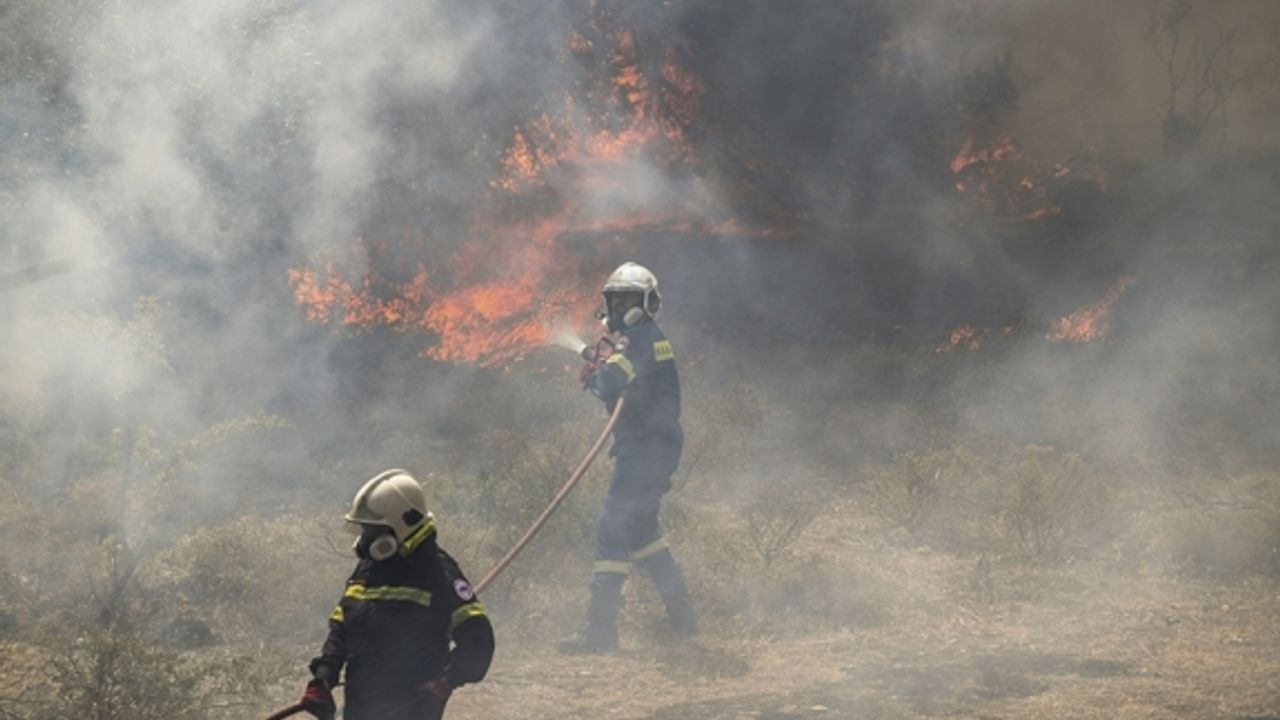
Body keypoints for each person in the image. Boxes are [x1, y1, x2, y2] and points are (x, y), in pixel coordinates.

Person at [559, 261, 697, 654]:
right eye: (614, 300)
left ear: (647, 303)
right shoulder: (646, 338)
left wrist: (594, 378)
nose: (619, 308)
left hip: (644, 451)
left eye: (627, 300)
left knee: (612, 532)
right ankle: (685, 620)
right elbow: (625, 377)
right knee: (644, 536)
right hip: (655, 448)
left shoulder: (637, 339)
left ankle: (599, 634)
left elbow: (610, 383)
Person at [301, 469, 495, 720]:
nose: (364, 540)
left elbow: (479, 642)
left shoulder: (438, 572)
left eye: (372, 531)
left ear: (401, 525)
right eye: (364, 530)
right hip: (361, 709)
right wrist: (322, 679)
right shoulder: (369, 568)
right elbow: (341, 626)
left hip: (412, 710)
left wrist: (445, 682)